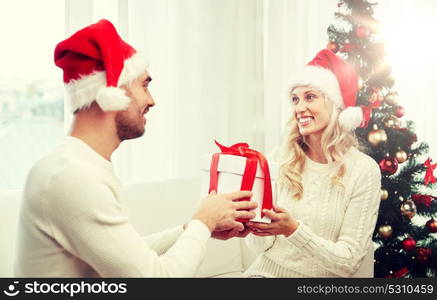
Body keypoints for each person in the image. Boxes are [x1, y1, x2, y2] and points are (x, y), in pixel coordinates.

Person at [14, 19, 257, 277]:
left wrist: (194, 229)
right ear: (112, 90)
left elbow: (130, 257)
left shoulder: (80, 165)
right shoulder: (73, 177)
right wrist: (203, 221)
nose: (151, 100)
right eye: (144, 84)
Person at [245, 49, 382, 277]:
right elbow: (258, 247)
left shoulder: (363, 171)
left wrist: (293, 230)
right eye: (295, 99)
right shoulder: (278, 158)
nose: (299, 108)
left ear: (334, 104)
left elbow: (348, 262)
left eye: (310, 97)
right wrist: (254, 223)